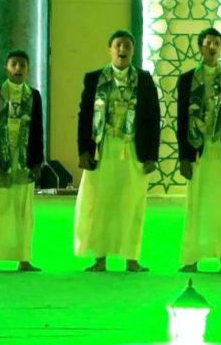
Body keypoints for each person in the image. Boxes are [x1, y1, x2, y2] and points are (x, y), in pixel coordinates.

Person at [74, 29, 160, 272]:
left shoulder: (144, 79)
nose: (122, 50)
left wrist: (151, 156)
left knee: (132, 203)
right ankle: (99, 258)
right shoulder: (94, 78)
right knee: (100, 202)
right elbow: (84, 115)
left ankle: (131, 258)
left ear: (133, 51)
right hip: (102, 148)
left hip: (132, 148)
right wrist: (83, 150)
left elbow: (154, 118)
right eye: (118, 45)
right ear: (110, 49)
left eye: (127, 46)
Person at [177, 27, 221, 273]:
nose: (213, 47)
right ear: (200, 47)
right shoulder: (187, 80)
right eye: (208, 43)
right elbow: (181, 120)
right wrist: (183, 156)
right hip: (197, 148)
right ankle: (192, 258)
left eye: (217, 43)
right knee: (197, 202)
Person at [0, 49, 44, 272]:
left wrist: (37, 162)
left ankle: (23, 259)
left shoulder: (34, 96)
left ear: (28, 69)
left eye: (22, 65)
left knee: (23, 209)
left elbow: (38, 130)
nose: (18, 68)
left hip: (24, 159)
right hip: (0, 159)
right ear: (6, 68)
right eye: (14, 64)